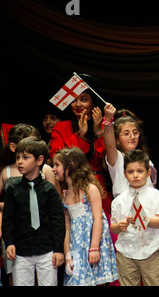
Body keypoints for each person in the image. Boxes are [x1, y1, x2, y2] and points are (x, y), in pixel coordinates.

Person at [1, 137, 65, 286]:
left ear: (39, 160)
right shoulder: (12, 189)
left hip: (47, 250)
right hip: (21, 251)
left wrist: (58, 249)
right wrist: (9, 242)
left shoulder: (49, 190)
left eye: (25, 157)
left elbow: (58, 221)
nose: (20, 162)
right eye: (17, 157)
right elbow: (8, 219)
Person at [49, 74, 113, 218]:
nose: (78, 104)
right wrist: (80, 136)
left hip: (99, 187)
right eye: (74, 100)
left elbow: (108, 160)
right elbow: (57, 158)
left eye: (84, 99)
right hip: (70, 187)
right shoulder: (60, 127)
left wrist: (98, 133)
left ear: (92, 103)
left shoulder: (103, 127)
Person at [53, 147, 117, 286]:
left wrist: (94, 248)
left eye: (57, 165)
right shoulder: (65, 194)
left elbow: (98, 218)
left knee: (96, 281)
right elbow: (67, 227)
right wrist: (68, 254)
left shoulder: (90, 189)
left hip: (91, 243)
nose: (53, 169)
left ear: (71, 166)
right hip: (76, 246)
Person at [110, 150, 159, 286]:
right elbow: (113, 227)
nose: (135, 175)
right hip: (126, 252)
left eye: (140, 171)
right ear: (124, 174)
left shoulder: (157, 196)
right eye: (130, 172)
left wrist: (143, 219)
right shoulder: (119, 200)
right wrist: (120, 226)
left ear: (148, 173)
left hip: (150, 250)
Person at [103, 102, 157, 198]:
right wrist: (108, 121)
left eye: (135, 133)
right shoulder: (118, 158)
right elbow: (110, 145)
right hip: (125, 209)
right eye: (126, 134)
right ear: (117, 140)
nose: (132, 137)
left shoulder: (147, 160)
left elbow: (153, 186)